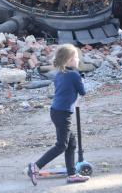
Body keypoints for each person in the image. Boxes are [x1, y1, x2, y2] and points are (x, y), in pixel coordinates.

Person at [27, 44, 90, 185]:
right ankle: (36, 166)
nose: (78, 60)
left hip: (56, 112)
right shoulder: (74, 74)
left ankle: (72, 174)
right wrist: (81, 78)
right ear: (68, 60)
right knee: (62, 145)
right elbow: (83, 91)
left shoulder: (59, 74)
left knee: (71, 143)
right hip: (63, 113)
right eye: (75, 58)